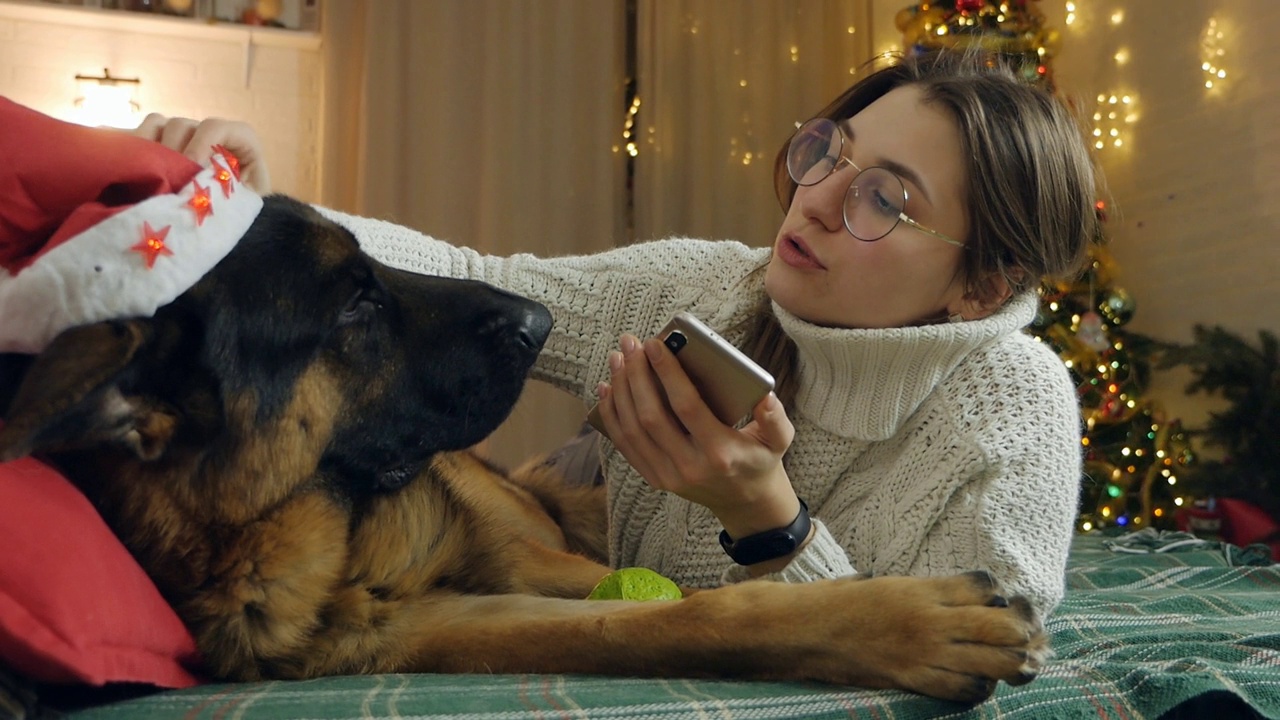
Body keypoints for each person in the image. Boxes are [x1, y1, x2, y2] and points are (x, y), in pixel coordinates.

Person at [137, 49, 1097, 616]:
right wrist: (258, 204)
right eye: (828, 156)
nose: (813, 201)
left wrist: (770, 525)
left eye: (883, 198)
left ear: (980, 285)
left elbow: (981, 674)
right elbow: (484, 283)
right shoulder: (706, 289)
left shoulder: (1014, 406)